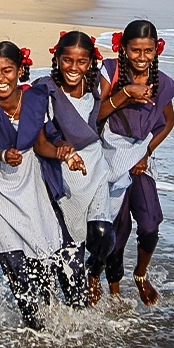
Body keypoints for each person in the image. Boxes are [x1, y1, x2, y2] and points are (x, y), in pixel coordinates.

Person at [0, 41, 80, 330]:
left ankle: (54, 332)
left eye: (7, 70)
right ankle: (35, 329)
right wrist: (1, 154)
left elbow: (41, 143)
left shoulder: (33, 101)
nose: (0, 78)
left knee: (45, 259)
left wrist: (65, 156)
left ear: (20, 70)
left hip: (31, 186)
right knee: (15, 267)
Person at [98, 19, 174, 306]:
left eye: (148, 51)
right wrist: (126, 93)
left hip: (140, 160)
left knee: (148, 224)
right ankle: (114, 290)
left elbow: (168, 122)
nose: (142, 58)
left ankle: (141, 274)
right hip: (110, 158)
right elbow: (96, 114)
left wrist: (146, 153)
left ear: (156, 50)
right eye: (136, 51)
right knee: (116, 228)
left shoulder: (160, 82)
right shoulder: (110, 72)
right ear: (124, 49)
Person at [31, 31, 116, 307]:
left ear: (91, 62)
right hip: (62, 175)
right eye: (68, 60)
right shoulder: (45, 90)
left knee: (103, 235)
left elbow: (128, 66)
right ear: (56, 59)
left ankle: (96, 273)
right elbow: (38, 137)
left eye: (82, 62)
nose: (74, 68)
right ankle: (66, 317)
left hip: (95, 169)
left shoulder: (96, 88)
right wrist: (62, 150)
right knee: (67, 250)